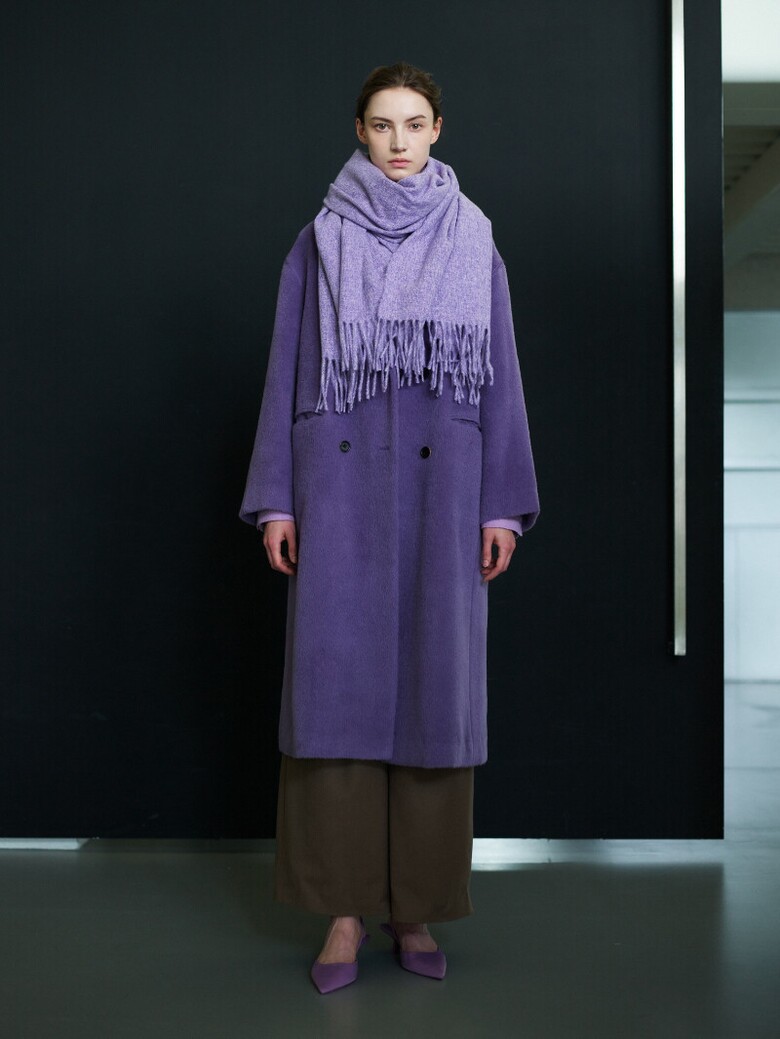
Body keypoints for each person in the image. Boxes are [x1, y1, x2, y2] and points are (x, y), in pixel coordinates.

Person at [238, 61, 539, 993]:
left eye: (414, 123)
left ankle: (415, 906)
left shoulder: (474, 237)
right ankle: (341, 912)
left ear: (438, 129)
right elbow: (286, 367)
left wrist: (502, 504)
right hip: (339, 488)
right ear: (360, 133)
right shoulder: (319, 240)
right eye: (382, 124)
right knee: (336, 700)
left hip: (446, 491)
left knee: (434, 699)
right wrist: (278, 498)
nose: (399, 141)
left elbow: (501, 378)